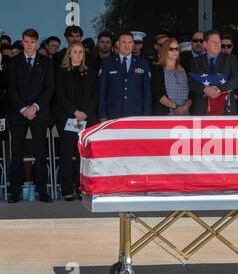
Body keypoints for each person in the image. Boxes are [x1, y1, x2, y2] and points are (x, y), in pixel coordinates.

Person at [7, 29, 54, 203]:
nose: (29, 45)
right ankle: (15, 192)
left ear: (37, 42)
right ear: (22, 41)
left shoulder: (46, 62)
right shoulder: (13, 62)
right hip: (18, 113)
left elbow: (49, 88)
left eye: (32, 42)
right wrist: (22, 109)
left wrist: (34, 107)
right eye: (26, 42)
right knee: (16, 153)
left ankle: (42, 191)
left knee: (41, 153)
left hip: (39, 112)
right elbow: (11, 88)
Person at [54, 42, 98, 201]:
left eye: (81, 52)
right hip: (67, 117)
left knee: (83, 155)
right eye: (75, 52)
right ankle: (67, 189)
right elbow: (59, 94)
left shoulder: (91, 72)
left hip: (87, 117)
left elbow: (94, 94)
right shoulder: (61, 72)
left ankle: (82, 188)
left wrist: (84, 112)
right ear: (69, 54)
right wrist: (75, 112)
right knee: (66, 154)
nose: (78, 54)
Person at [99, 31, 152, 121]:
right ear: (118, 44)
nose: (126, 45)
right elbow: (102, 91)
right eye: (123, 42)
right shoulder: (107, 63)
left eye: (129, 42)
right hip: (112, 114)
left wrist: (146, 116)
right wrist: (102, 115)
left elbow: (147, 92)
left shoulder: (143, 63)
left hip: (136, 115)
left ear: (133, 44)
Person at [189, 30, 238, 115]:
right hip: (203, 108)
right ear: (205, 44)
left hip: (226, 108)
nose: (217, 45)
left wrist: (218, 89)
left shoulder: (231, 59)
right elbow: (191, 83)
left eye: (219, 42)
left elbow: (236, 80)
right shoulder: (196, 61)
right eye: (214, 42)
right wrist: (204, 89)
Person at [152, 38, 192, 116]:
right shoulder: (157, 69)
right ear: (165, 50)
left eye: (176, 49)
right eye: (171, 49)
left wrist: (185, 107)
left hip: (185, 112)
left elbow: (192, 91)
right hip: (166, 112)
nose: (174, 51)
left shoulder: (185, 68)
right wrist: (176, 107)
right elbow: (156, 92)